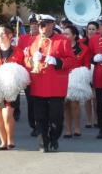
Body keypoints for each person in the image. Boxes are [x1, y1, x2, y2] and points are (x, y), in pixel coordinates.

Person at [25, 14, 74, 152]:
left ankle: (54, 138)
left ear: (52, 24)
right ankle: (43, 143)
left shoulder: (63, 41)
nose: (42, 28)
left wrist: (56, 61)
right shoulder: (33, 41)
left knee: (56, 117)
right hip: (38, 84)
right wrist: (30, 60)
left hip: (55, 86)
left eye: (45, 24)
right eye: (40, 25)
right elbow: (26, 59)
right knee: (39, 117)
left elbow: (71, 61)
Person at [0, 24, 24, 150]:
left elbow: (22, 70)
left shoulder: (18, 51)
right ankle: (3, 142)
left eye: (3, 33)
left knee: (7, 115)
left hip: (11, 88)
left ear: (10, 35)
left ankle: (11, 140)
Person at [62, 25, 91, 138]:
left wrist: (81, 73)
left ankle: (77, 127)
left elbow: (87, 64)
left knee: (74, 104)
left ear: (74, 36)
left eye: (67, 34)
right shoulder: (61, 47)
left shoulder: (84, 48)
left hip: (76, 80)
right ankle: (68, 129)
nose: (65, 36)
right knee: (65, 105)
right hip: (63, 77)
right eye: (64, 34)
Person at [17, 13, 39, 136]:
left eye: (36, 24)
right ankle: (34, 125)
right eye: (32, 24)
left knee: (39, 101)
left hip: (40, 74)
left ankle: (41, 123)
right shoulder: (23, 38)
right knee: (31, 101)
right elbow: (18, 55)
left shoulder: (42, 38)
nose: (34, 26)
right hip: (27, 74)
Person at [82, 21, 99, 129]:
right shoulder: (82, 41)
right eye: (89, 29)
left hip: (96, 69)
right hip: (85, 70)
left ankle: (97, 118)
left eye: (93, 29)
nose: (91, 31)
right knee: (87, 96)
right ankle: (89, 120)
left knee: (95, 96)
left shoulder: (100, 40)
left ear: (97, 30)